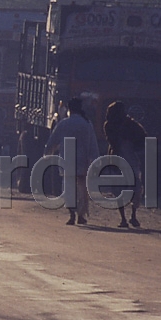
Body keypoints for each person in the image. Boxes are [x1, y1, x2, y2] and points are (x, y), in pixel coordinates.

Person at [44, 97, 100, 226]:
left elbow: (52, 141)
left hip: (67, 160)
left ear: (69, 109)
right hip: (83, 161)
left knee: (68, 189)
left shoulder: (64, 123)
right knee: (82, 189)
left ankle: (72, 215)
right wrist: (95, 160)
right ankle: (81, 214)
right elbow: (93, 145)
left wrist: (47, 154)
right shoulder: (87, 124)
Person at [104, 100, 147, 229]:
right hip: (130, 159)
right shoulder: (131, 125)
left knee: (119, 191)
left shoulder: (109, 126)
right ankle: (133, 216)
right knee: (136, 189)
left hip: (117, 160)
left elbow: (111, 141)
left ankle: (124, 218)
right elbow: (143, 137)